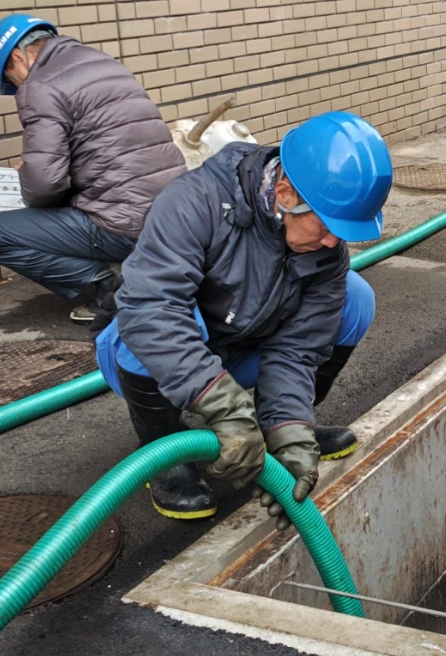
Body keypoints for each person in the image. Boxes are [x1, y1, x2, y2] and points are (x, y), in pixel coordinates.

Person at [93, 111, 391, 522]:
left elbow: (299, 348)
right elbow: (151, 309)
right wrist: (225, 408)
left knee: (356, 298)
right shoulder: (193, 202)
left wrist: (289, 433)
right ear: (285, 193)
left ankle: (278, 433)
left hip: (240, 345)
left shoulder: (326, 250)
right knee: (158, 317)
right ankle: (164, 451)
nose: (333, 242)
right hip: (147, 352)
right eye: (325, 225)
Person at [0, 15, 186, 323]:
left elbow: (44, 185)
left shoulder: (39, 85)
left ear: (17, 58)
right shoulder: (105, 64)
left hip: (126, 226)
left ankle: (109, 283)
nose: (19, 86)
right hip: (172, 215)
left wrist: (27, 179)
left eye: (14, 79)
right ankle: (130, 266)